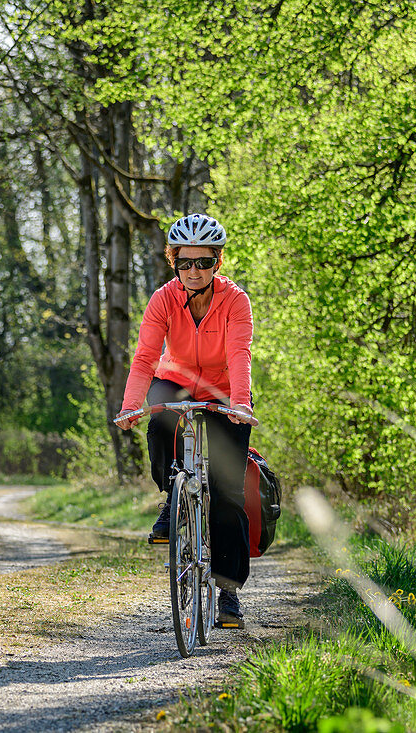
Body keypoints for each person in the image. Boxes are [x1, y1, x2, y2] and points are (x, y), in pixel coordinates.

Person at [113, 213, 255, 629]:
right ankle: (172, 494)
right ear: (173, 262)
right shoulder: (163, 299)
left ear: (218, 263)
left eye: (204, 262)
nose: (194, 271)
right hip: (175, 381)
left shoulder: (235, 301)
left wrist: (240, 404)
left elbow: (238, 354)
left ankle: (227, 592)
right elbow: (144, 358)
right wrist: (130, 405)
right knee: (158, 422)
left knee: (228, 494)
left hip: (226, 389)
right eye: (185, 262)